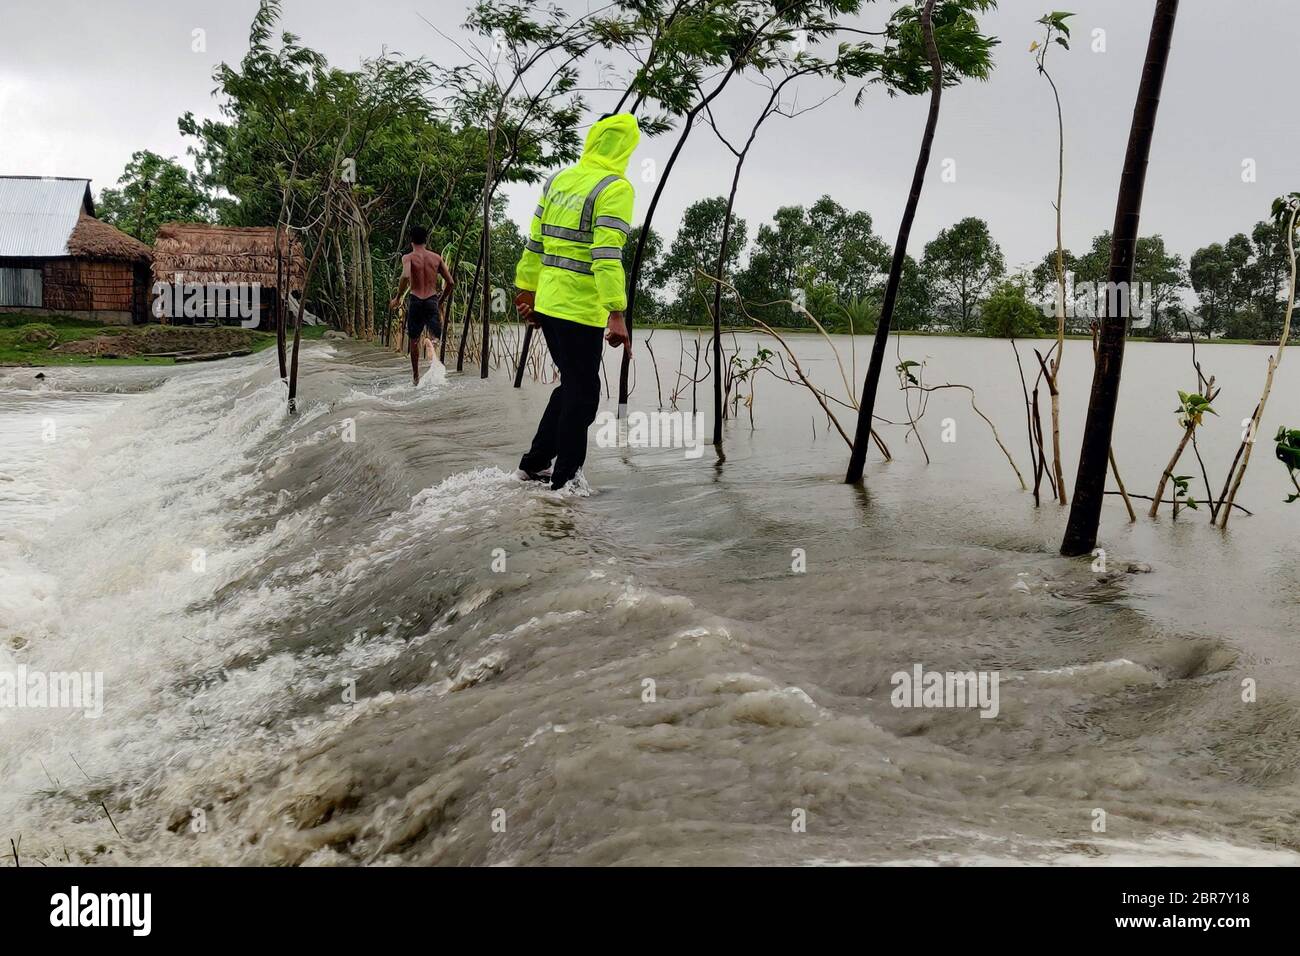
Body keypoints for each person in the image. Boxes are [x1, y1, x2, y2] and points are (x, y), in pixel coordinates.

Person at [514, 113, 638, 490]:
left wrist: (526, 289)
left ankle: (535, 464)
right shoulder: (615, 188)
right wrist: (617, 312)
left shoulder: (558, 180)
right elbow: (605, 254)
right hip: (580, 311)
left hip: (549, 305)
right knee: (583, 396)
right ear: (625, 147)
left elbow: (535, 240)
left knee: (572, 387)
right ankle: (565, 483)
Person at [390, 225, 454, 385]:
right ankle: (437, 371)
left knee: (413, 340)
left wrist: (398, 297)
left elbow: (405, 276)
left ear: (411, 240)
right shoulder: (436, 258)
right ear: (426, 240)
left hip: (416, 300)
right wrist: (440, 301)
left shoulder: (408, 258)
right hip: (432, 300)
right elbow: (451, 282)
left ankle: (416, 378)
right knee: (435, 337)